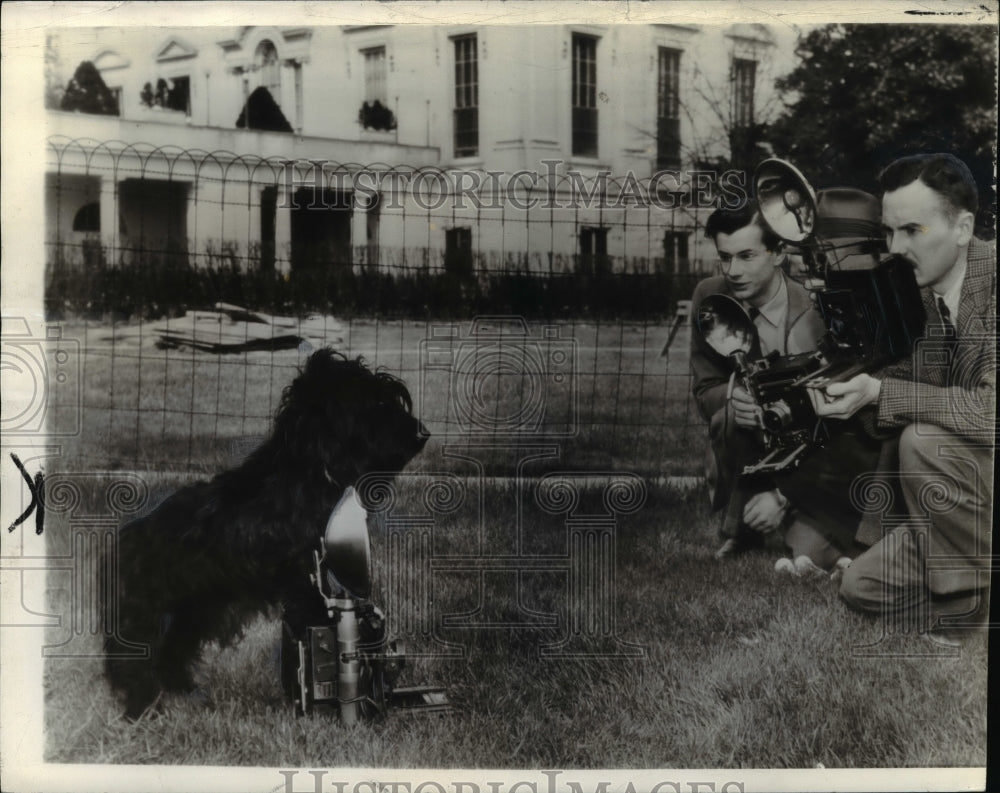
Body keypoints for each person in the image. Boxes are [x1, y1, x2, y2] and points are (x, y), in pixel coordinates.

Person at [808, 153, 995, 627]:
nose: (894, 247)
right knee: (862, 588)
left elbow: (992, 413)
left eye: (911, 230)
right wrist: (849, 388)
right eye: (889, 232)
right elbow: (902, 398)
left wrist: (880, 394)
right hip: (965, 511)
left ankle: (963, 608)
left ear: (963, 227)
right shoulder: (926, 297)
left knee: (923, 439)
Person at [691, 200, 881, 573]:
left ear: (778, 252)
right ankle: (740, 527)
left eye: (746, 256)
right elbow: (705, 390)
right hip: (748, 437)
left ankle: (791, 513)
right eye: (724, 257)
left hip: (815, 447)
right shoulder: (710, 297)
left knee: (812, 552)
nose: (734, 271)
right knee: (730, 415)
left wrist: (783, 495)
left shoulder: (816, 309)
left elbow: (837, 424)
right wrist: (735, 396)